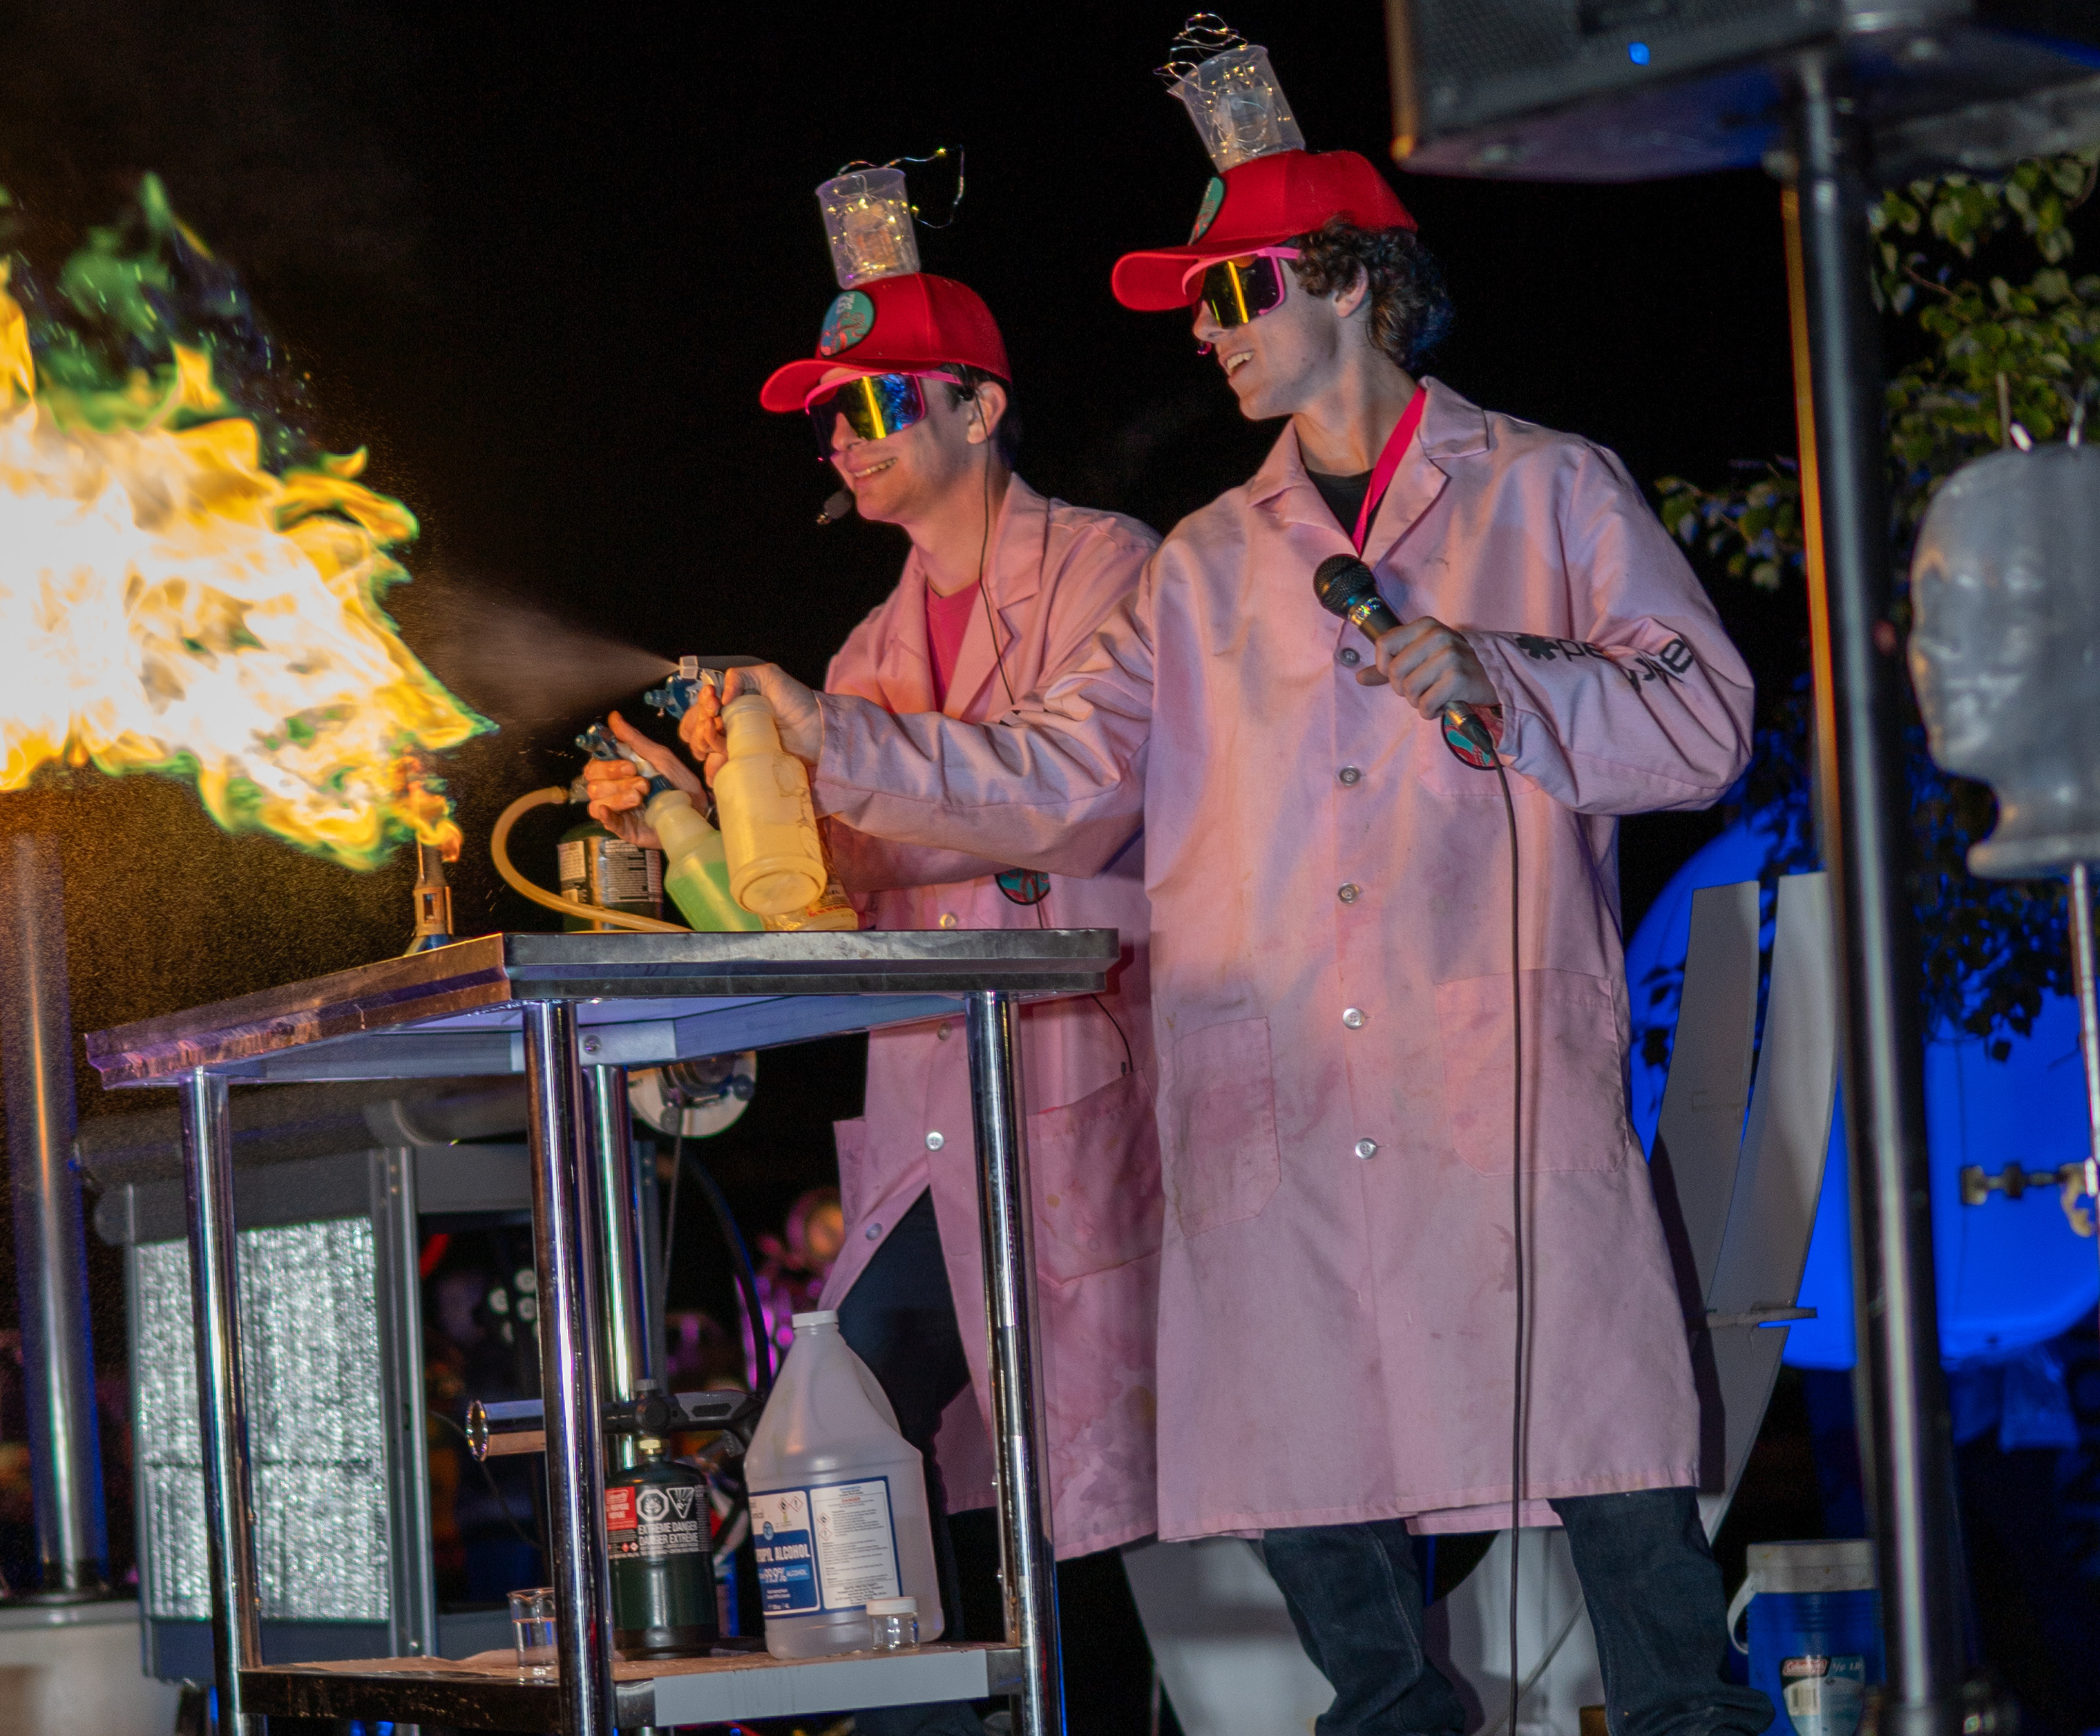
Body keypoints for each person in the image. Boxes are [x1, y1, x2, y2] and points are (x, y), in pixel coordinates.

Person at [682, 146, 1777, 1736]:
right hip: (1274, 1077)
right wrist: (823, 732)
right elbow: (1059, 777)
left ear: (1346, 280)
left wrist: (1495, 669)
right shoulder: (1203, 562)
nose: (1206, 330)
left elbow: (1700, 717)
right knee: (1312, 1471)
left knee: (1607, 1460)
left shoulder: (1546, 486)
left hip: (1483, 1063)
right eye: (1199, 304)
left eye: (1231, 291)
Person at [584, 268, 1162, 1734]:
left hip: (1083, 1108)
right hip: (929, 1129)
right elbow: (815, 917)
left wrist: (818, 731)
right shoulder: (862, 651)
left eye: (879, 400)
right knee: (859, 1463)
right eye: (830, 415)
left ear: (980, 403)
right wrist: (689, 823)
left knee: (1075, 1500)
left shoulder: (1113, 568)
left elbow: (1078, 800)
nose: (845, 433)